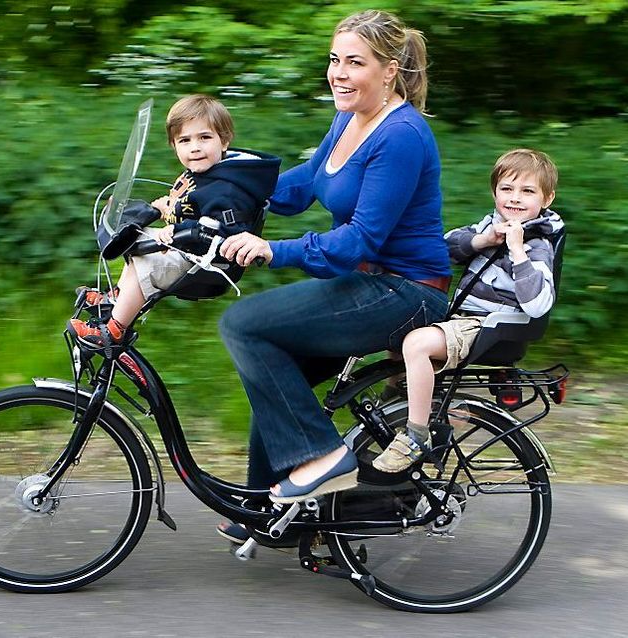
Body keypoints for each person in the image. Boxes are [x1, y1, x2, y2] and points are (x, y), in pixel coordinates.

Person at [217, 9, 451, 523]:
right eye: (333, 60)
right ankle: (268, 508)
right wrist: (224, 185)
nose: (338, 74)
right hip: (371, 286)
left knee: (241, 324)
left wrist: (271, 250)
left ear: (389, 70)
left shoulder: (401, 135)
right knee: (276, 374)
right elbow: (305, 185)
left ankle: (326, 458)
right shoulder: (350, 116)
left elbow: (356, 241)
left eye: (354, 63)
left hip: (407, 294)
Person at [373, 148, 564, 472]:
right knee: (394, 319)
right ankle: (400, 400)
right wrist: (483, 240)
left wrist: (517, 252)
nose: (515, 198)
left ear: (546, 198)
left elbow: (538, 304)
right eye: (507, 189)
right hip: (459, 318)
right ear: (494, 192)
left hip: (486, 325)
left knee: (416, 345)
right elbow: (440, 249)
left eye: (527, 191)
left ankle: (415, 435)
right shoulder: (491, 226)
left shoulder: (536, 246)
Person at [67, 95, 280, 347]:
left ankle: (113, 330)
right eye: (185, 140)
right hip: (188, 250)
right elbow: (189, 204)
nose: (195, 147)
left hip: (206, 262)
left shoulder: (228, 188)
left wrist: (178, 229)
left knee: (145, 261)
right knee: (135, 238)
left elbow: (223, 230)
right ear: (174, 146)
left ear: (224, 140)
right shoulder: (204, 173)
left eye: (205, 137)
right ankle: (117, 299)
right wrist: (163, 207)